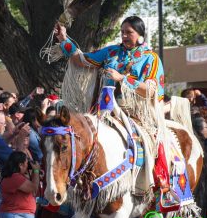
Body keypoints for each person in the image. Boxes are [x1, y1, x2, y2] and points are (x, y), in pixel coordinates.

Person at [54, 16, 171, 202]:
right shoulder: (112, 52)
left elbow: (152, 90)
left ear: (140, 35)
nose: (124, 36)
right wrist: (63, 39)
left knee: (149, 144)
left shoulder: (151, 58)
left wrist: (122, 79)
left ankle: (149, 186)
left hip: (135, 114)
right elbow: (81, 60)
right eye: (122, 32)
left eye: (129, 32)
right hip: (104, 110)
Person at [0, 151, 40, 218]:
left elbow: (33, 190)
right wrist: (36, 171)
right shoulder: (15, 178)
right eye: (26, 163)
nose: (28, 165)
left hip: (19, 217)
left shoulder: (17, 177)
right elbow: (33, 188)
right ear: (20, 165)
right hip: (16, 217)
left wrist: (33, 173)